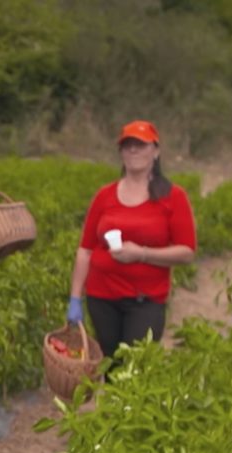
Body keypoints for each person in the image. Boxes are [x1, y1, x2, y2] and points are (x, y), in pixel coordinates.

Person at [67, 120, 196, 359]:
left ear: (156, 151)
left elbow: (187, 252)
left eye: (141, 144)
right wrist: (75, 297)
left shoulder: (173, 197)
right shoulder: (104, 196)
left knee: (136, 365)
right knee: (110, 366)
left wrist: (142, 254)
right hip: (101, 297)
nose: (133, 150)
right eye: (127, 146)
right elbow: (85, 249)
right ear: (121, 153)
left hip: (145, 300)